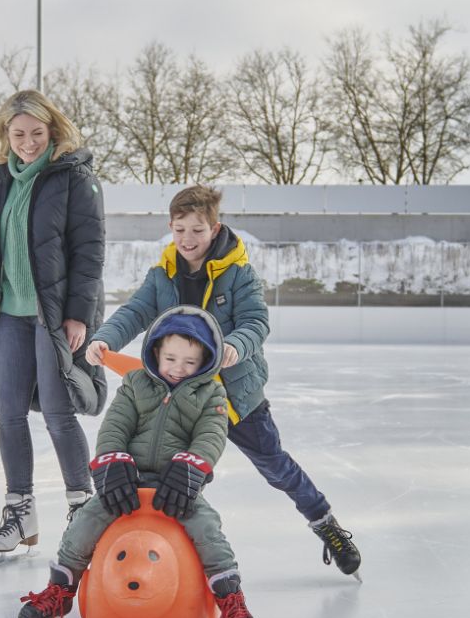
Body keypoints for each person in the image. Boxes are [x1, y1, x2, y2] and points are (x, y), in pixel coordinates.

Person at [85, 185, 363, 576]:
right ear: (170, 227)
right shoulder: (162, 273)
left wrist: (234, 345)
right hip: (182, 396)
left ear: (214, 229)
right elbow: (135, 311)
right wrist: (105, 339)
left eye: (197, 230)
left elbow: (255, 321)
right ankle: (164, 560)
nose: (187, 239)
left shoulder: (238, 273)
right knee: (173, 481)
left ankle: (325, 523)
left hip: (235, 396)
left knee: (276, 467)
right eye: (180, 230)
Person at [17, 307, 259, 618]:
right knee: (86, 519)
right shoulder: (135, 384)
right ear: (156, 351)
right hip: (127, 482)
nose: (178, 369)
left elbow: (211, 435)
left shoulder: (212, 393)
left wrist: (192, 466)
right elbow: (115, 425)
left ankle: (230, 597)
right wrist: (113, 463)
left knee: (206, 526)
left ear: (205, 361)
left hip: (178, 486)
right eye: (171, 358)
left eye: (190, 363)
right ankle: (60, 591)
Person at [0, 90, 108, 561]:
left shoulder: (75, 178)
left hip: (53, 314)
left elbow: (90, 251)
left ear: (52, 132)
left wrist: (79, 314)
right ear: (5, 135)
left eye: (36, 134)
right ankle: (20, 511)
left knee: (60, 413)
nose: (27, 143)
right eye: (17, 134)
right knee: (8, 412)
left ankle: (83, 507)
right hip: (9, 315)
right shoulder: (0, 181)